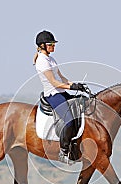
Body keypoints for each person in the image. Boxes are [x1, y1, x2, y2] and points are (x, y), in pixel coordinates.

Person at [34, 30, 87, 164]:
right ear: (42, 45)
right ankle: (63, 152)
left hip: (61, 92)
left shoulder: (51, 59)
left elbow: (62, 78)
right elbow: (54, 82)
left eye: (53, 43)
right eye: (50, 44)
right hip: (53, 95)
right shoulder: (42, 61)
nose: (53, 46)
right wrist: (71, 87)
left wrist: (75, 84)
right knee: (69, 120)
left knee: (82, 104)